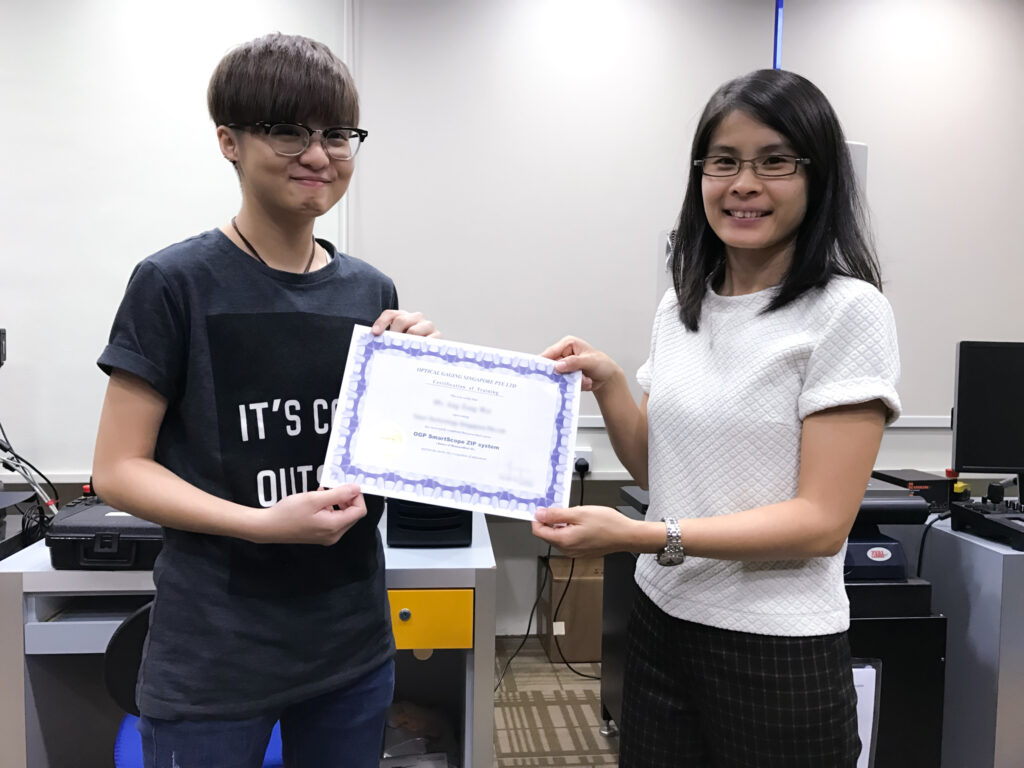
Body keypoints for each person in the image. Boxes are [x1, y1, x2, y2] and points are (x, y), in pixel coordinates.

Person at [533, 69, 900, 767]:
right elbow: (659, 467)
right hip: (662, 621)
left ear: (817, 176)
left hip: (776, 644)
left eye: (774, 162)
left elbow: (821, 523)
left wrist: (645, 536)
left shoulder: (848, 311)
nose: (743, 184)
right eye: (723, 161)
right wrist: (610, 383)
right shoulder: (683, 304)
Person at [92, 33, 437, 768]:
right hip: (217, 657)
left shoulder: (370, 290)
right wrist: (259, 524)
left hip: (351, 645)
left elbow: (376, 456)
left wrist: (421, 381)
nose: (318, 155)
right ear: (229, 142)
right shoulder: (173, 282)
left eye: (337, 133)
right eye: (287, 131)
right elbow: (118, 470)